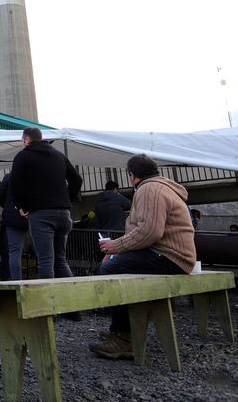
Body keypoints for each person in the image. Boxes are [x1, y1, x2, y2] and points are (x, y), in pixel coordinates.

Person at [90, 154, 196, 360]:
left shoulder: (149, 189)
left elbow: (149, 232)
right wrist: (118, 250)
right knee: (114, 263)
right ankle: (122, 329)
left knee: (112, 268)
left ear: (132, 175)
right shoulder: (161, 187)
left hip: (169, 256)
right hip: (172, 255)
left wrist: (115, 246)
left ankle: (124, 338)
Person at [9, 127, 83, 281]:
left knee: (45, 261)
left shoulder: (23, 156)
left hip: (41, 215)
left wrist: (21, 206)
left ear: (27, 140)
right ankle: (71, 297)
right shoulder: (59, 155)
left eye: (23, 141)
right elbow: (77, 179)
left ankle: (50, 301)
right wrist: (67, 199)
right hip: (64, 214)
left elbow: (15, 184)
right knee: (60, 260)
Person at [0, 173, 29, 280]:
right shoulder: (37, 173)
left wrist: (8, 206)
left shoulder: (9, 177)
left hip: (13, 217)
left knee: (15, 251)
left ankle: (17, 282)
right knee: (45, 254)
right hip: (35, 215)